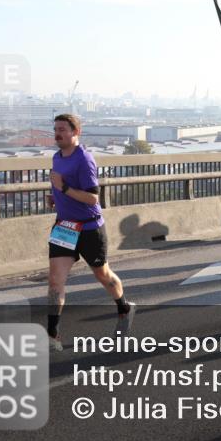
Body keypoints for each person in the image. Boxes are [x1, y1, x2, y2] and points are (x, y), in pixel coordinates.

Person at [46, 114, 133, 352]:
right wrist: (56, 196)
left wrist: (64, 187)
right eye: (55, 129)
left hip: (89, 227)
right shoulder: (56, 157)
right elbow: (65, 188)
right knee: (55, 281)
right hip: (65, 227)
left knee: (103, 275)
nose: (57, 133)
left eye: (62, 129)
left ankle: (124, 307)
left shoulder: (84, 159)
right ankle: (52, 334)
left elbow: (93, 198)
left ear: (76, 132)